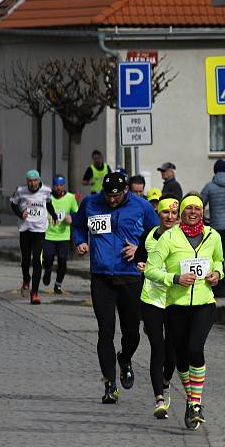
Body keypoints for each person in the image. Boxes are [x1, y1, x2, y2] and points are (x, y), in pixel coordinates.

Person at [73, 172, 158, 404]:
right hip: (101, 277)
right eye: (108, 196)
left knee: (132, 332)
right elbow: (78, 225)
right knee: (105, 331)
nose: (111, 200)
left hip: (130, 277)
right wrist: (80, 241)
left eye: (116, 196)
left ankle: (125, 358)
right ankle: (110, 383)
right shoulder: (91, 203)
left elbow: (158, 235)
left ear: (126, 192)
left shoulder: (141, 207)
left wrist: (139, 250)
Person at [144, 194, 224, 430]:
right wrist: (175, 278)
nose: (192, 212)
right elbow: (151, 270)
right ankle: (191, 399)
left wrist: (217, 274)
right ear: (182, 213)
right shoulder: (169, 237)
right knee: (180, 358)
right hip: (176, 306)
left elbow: (219, 261)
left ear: (202, 212)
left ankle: (195, 404)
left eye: (197, 209)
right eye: (188, 208)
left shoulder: (213, 236)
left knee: (195, 349)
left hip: (204, 304)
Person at [134, 194, 180, 418]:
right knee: (157, 348)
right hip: (151, 298)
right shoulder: (149, 235)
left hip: (174, 299)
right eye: (165, 212)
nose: (169, 216)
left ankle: (166, 380)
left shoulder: (182, 238)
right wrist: (139, 263)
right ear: (158, 214)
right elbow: (139, 257)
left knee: (171, 352)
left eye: (173, 213)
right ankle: (159, 400)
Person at [10, 169, 57, 305]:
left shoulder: (46, 191)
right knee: (25, 260)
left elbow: (48, 203)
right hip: (25, 230)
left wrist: (53, 215)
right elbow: (13, 204)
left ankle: (35, 293)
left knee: (37, 260)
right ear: (27, 181)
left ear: (39, 180)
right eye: (30, 181)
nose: (33, 183)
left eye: (35, 180)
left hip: (40, 231)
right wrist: (20, 214)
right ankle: (26, 279)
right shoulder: (20, 190)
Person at [201, 159, 225, 297]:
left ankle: (220, 290)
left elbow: (200, 203)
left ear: (215, 171)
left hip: (217, 228)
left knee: (218, 260)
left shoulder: (209, 187)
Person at [43, 175, 78, 295]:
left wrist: (71, 218)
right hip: (49, 234)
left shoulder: (70, 198)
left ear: (64, 185)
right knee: (48, 260)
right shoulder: (47, 198)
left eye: (61, 185)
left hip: (63, 235)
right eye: (56, 185)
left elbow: (76, 214)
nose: (58, 187)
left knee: (62, 262)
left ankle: (58, 285)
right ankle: (47, 271)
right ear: (53, 185)